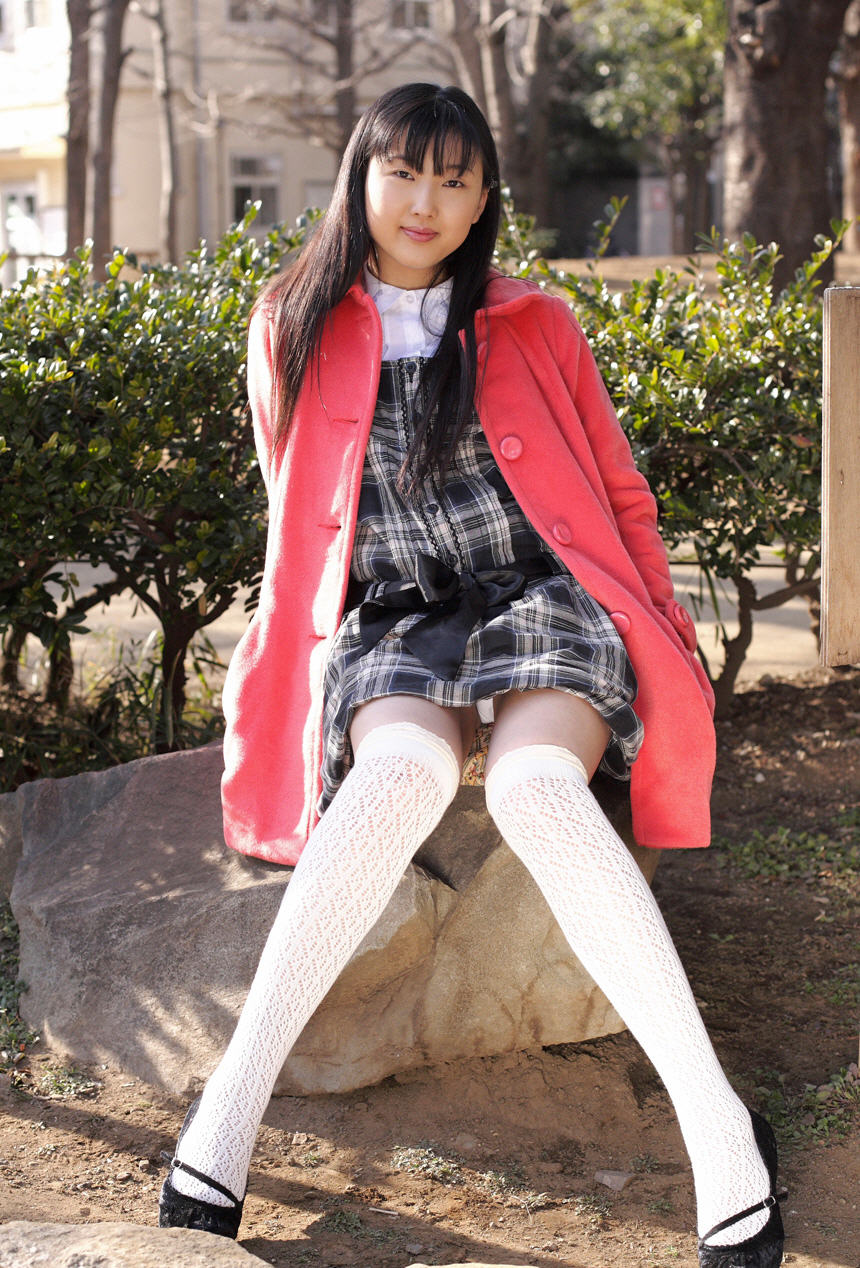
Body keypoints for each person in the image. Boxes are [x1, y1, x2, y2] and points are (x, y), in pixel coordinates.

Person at [158, 83, 784, 1267]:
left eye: (455, 181)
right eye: (403, 172)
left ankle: (716, 1127)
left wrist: (661, 625)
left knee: (537, 791)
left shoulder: (532, 320)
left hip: (542, 595)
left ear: (484, 197)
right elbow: (297, 511)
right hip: (399, 614)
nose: (425, 203)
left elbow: (618, 490)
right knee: (395, 781)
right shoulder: (288, 320)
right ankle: (228, 1107)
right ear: (361, 174)